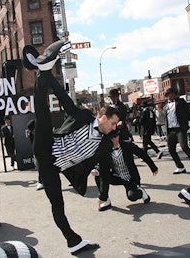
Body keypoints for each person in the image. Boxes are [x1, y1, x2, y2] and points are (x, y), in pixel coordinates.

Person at [24, 40, 119, 255]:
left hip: (52, 167)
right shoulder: (85, 117)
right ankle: (43, 72)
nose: (113, 127)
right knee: (43, 116)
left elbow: (104, 168)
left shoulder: (104, 144)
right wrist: (50, 78)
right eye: (112, 123)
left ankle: (73, 242)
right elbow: (66, 101)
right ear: (103, 117)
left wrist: (103, 193)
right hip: (48, 145)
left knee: (58, 206)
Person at [91, 129, 158, 211]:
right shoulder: (106, 150)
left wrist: (153, 167)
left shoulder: (127, 145)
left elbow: (142, 154)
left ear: (118, 137)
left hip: (129, 177)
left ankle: (140, 191)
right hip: (116, 176)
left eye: (115, 137)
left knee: (132, 197)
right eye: (111, 138)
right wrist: (96, 170)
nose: (114, 140)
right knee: (99, 175)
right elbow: (101, 163)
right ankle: (106, 200)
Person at [163, 88, 190, 175]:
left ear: (175, 94)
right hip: (171, 130)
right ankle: (180, 166)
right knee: (171, 150)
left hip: (180, 129)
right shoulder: (166, 105)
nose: (170, 96)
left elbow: (189, 114)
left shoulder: (181, 102)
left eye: (172, 94)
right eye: (168, 95)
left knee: (184, 147)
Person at [27, 119, 44, 191]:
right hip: (37, 153)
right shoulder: (31, 134)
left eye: (33, 130)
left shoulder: (43, 132)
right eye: (31, 131)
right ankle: (41, 182)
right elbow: (33, 145)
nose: (33, 132)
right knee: (39, 167)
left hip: (46, 153)